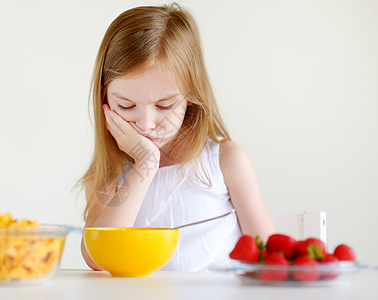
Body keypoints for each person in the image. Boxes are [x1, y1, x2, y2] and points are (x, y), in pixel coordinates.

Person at [78, 3, 275, 272]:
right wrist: (145, 164)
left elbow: (270, 258)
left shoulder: (226, 161)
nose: (146, 124)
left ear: (191, 97)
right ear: (104, 101)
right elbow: (97, 257)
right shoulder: (110, 172)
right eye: (126, 106)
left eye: (164, 106)